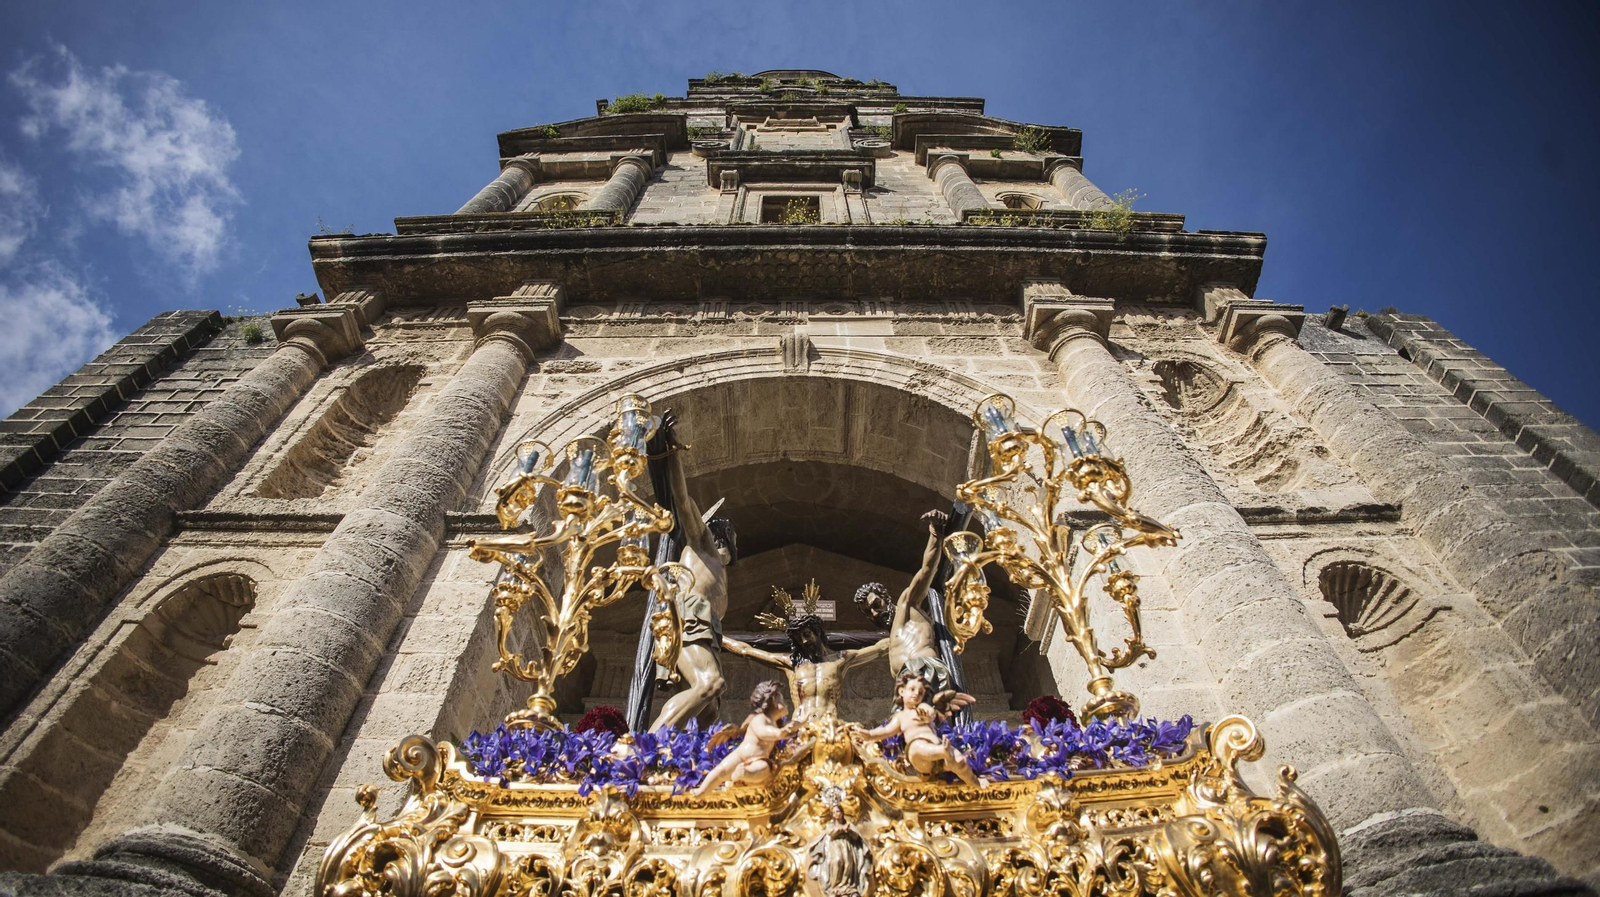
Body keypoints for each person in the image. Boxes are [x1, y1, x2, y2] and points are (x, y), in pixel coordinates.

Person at [649, 410, 739, 732]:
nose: (728, 545)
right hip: (689, 616)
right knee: (709, 684)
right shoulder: (702, 545)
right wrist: (673, 453)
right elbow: (683, 501)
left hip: (706, 628)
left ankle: (685, 759)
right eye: (727, 537)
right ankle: (646, 745)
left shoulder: (722, 579)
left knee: (710, 711)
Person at [721, 613, 887, 725]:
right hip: (799, 726)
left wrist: (908, 629)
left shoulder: (840, 659)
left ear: (817, 632)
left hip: (829, 726)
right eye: (799, 639)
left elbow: (881, 648)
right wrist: (716, 635)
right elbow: (746, 651)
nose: (804, 641)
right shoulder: (792, 663)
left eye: (807, 634)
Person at [852, 509, 951, 689]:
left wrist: (936, 532)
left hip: (923, 670)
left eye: (876, 605)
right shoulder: (889, 641)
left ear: (886, 598)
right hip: (905, 686)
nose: (874, 613)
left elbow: (927, 570)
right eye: (868, 612)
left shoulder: (907, 604)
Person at [854, 668, 984, 788]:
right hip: (922, 758)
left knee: (960, 761)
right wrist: (869, 734)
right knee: (916, 748)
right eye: (912, 689)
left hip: (937, 748)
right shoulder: (900, 717)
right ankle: (943, 753)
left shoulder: (923, 708)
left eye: (920, 692)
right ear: (901, 691)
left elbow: (931, 714)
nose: (916, 693)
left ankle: (975, 785)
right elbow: (886, 731)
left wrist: (927, 716)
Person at [690, 681, 791, 796]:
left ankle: (745, 773)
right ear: (773, 701)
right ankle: (702, 790)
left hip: (760, 758)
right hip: (742, 754)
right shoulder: (759, 719)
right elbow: (760, 731)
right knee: (721, 770)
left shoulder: (777, 723)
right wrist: (779, 733)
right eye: (782, 700)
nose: (786, 703)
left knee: (763, 769)